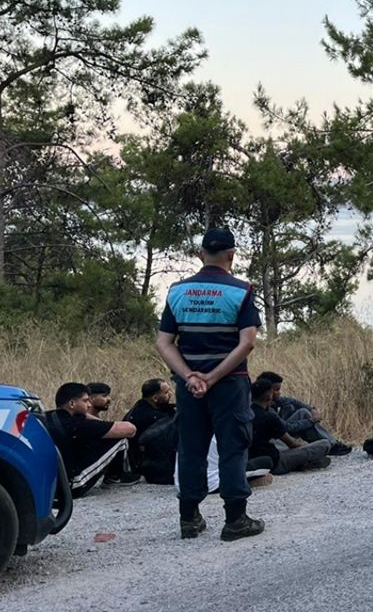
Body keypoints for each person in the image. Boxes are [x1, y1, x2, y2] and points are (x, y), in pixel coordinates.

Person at [156, 227, 265, 542]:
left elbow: (164, 342)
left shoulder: (177, 291)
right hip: (230, 384)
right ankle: (235, 520)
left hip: (188, 387)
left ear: (201, 254)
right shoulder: (241, 291)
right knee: (233, 448)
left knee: (191, 448)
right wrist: (213, 377)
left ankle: (189, 518)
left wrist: (189, 376)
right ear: (232, 255)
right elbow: (247, 343)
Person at [51, 383, 140, 496]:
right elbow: (130, 429)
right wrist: (87, 416)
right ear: (72, 404)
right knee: (121, 439)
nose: (89, 405)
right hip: (72, 486)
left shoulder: (46, 417)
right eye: (85, 401)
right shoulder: (79, 425)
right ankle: (115, 478)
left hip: (50, 485)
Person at [255, 371, 352, 456]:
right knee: (303, 416)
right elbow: (286, 427)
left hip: (281, 433)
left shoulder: (272, 401)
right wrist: (311, 421)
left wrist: (312, 409)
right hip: (275, 440)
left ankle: (332, 443)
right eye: (276, 390)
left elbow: (293, 401)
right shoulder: (266, 409)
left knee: (302, 411)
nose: (279, 393)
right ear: (267, 391)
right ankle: (326, 445)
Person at [249, 380, 332, 474]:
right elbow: (292, 444)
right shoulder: (269, 417)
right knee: (325, 444)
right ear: (269, 397)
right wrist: (304, 446)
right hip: (275, 463)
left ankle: (305, 462)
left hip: (252, 459)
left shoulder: (245, 415)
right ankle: (306, 462)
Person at [124, 378, 177, 484]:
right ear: (155, 398)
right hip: (152, 468)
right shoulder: (149, 416)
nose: (170, 394)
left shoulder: (143, 407)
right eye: (166, 392)